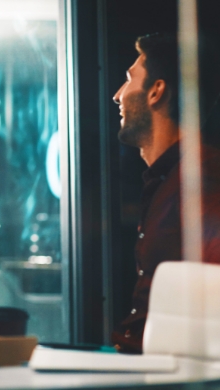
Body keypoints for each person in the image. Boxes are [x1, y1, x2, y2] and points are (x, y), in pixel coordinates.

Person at [110, 33, 220, 353]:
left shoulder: (202, 178)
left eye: (130, 79)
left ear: (156, 91)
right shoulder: (170, 178)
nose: (118, 95)